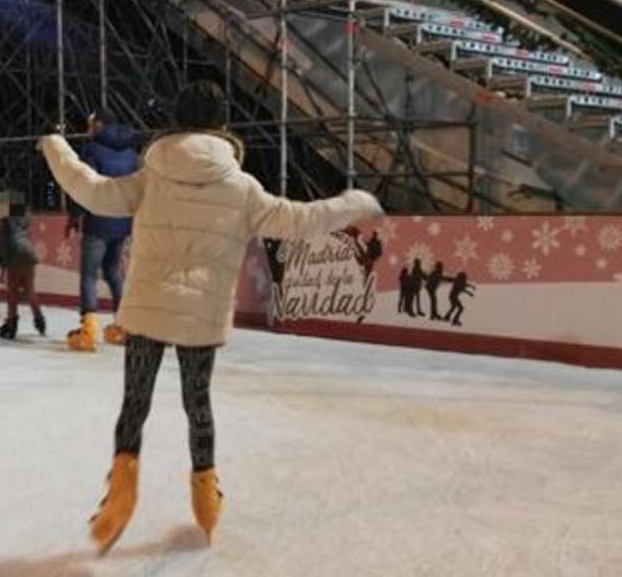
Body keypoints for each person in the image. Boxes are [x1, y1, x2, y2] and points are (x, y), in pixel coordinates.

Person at [39, 80, 384, 552]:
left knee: (134, 404)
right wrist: (355, 204)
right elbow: (299, 220)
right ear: (223, 126)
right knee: (196, 404)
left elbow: (94, 191)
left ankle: (120, 493)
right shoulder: (240, 187)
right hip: (199, 318)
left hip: (147, 310)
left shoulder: (152, 174)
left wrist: (56, 146)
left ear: (176, 120)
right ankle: (206, 499)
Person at [65, 110, 139, 352]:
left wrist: (74, 216)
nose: (87, 129)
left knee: (89, 274)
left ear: (99, 124)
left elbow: (82, 185)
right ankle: (124, 325)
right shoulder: (131, 153)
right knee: (113, 271)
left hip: (98, 221)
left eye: (89, 125)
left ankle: (88, 329)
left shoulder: (93, 150)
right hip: (123, 221)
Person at [0, 190, 46, 340]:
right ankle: (39, 318)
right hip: (29, 253)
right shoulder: (24, 218)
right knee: (29, 290)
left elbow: (1, 238)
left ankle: (12, 324)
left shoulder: (6, 220)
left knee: (12, 292)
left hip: (14, 254)